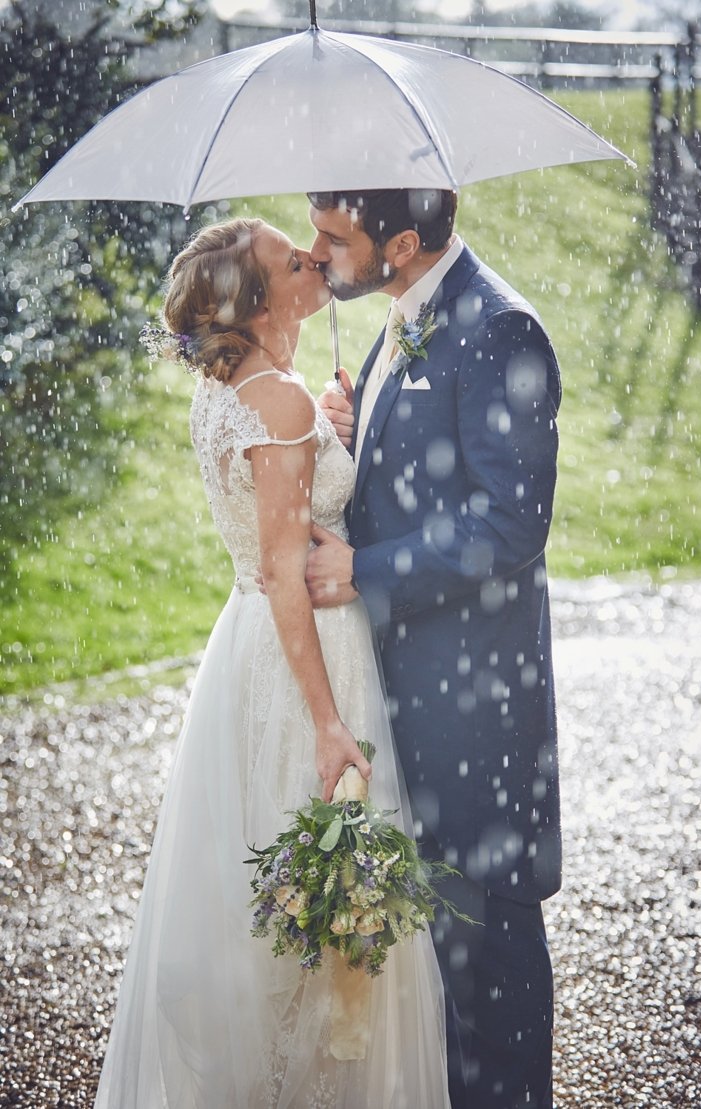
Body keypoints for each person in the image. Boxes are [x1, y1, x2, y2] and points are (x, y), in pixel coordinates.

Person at [93, 217, 451, 1109]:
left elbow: (272, 523)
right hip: (304, 657)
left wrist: (333, 428)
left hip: (244, 647)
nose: (315, 260)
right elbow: (288, 570)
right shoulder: (278, 401)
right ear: (257, 302)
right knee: (318, 905)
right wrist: (330, 722)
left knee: (260, 890)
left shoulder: (239, 392)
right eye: (293, 260)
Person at [305, 188, 562, 1109]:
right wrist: (355, 430)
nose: (316, 250)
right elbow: (413, 472)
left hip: (474, 724)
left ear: (402, 242)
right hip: (409, 702)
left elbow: (508, 526)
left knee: (490, 981)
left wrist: (363, 570)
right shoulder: (402, 318)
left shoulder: (501, 330)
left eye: (334, 236)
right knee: (440, 979)